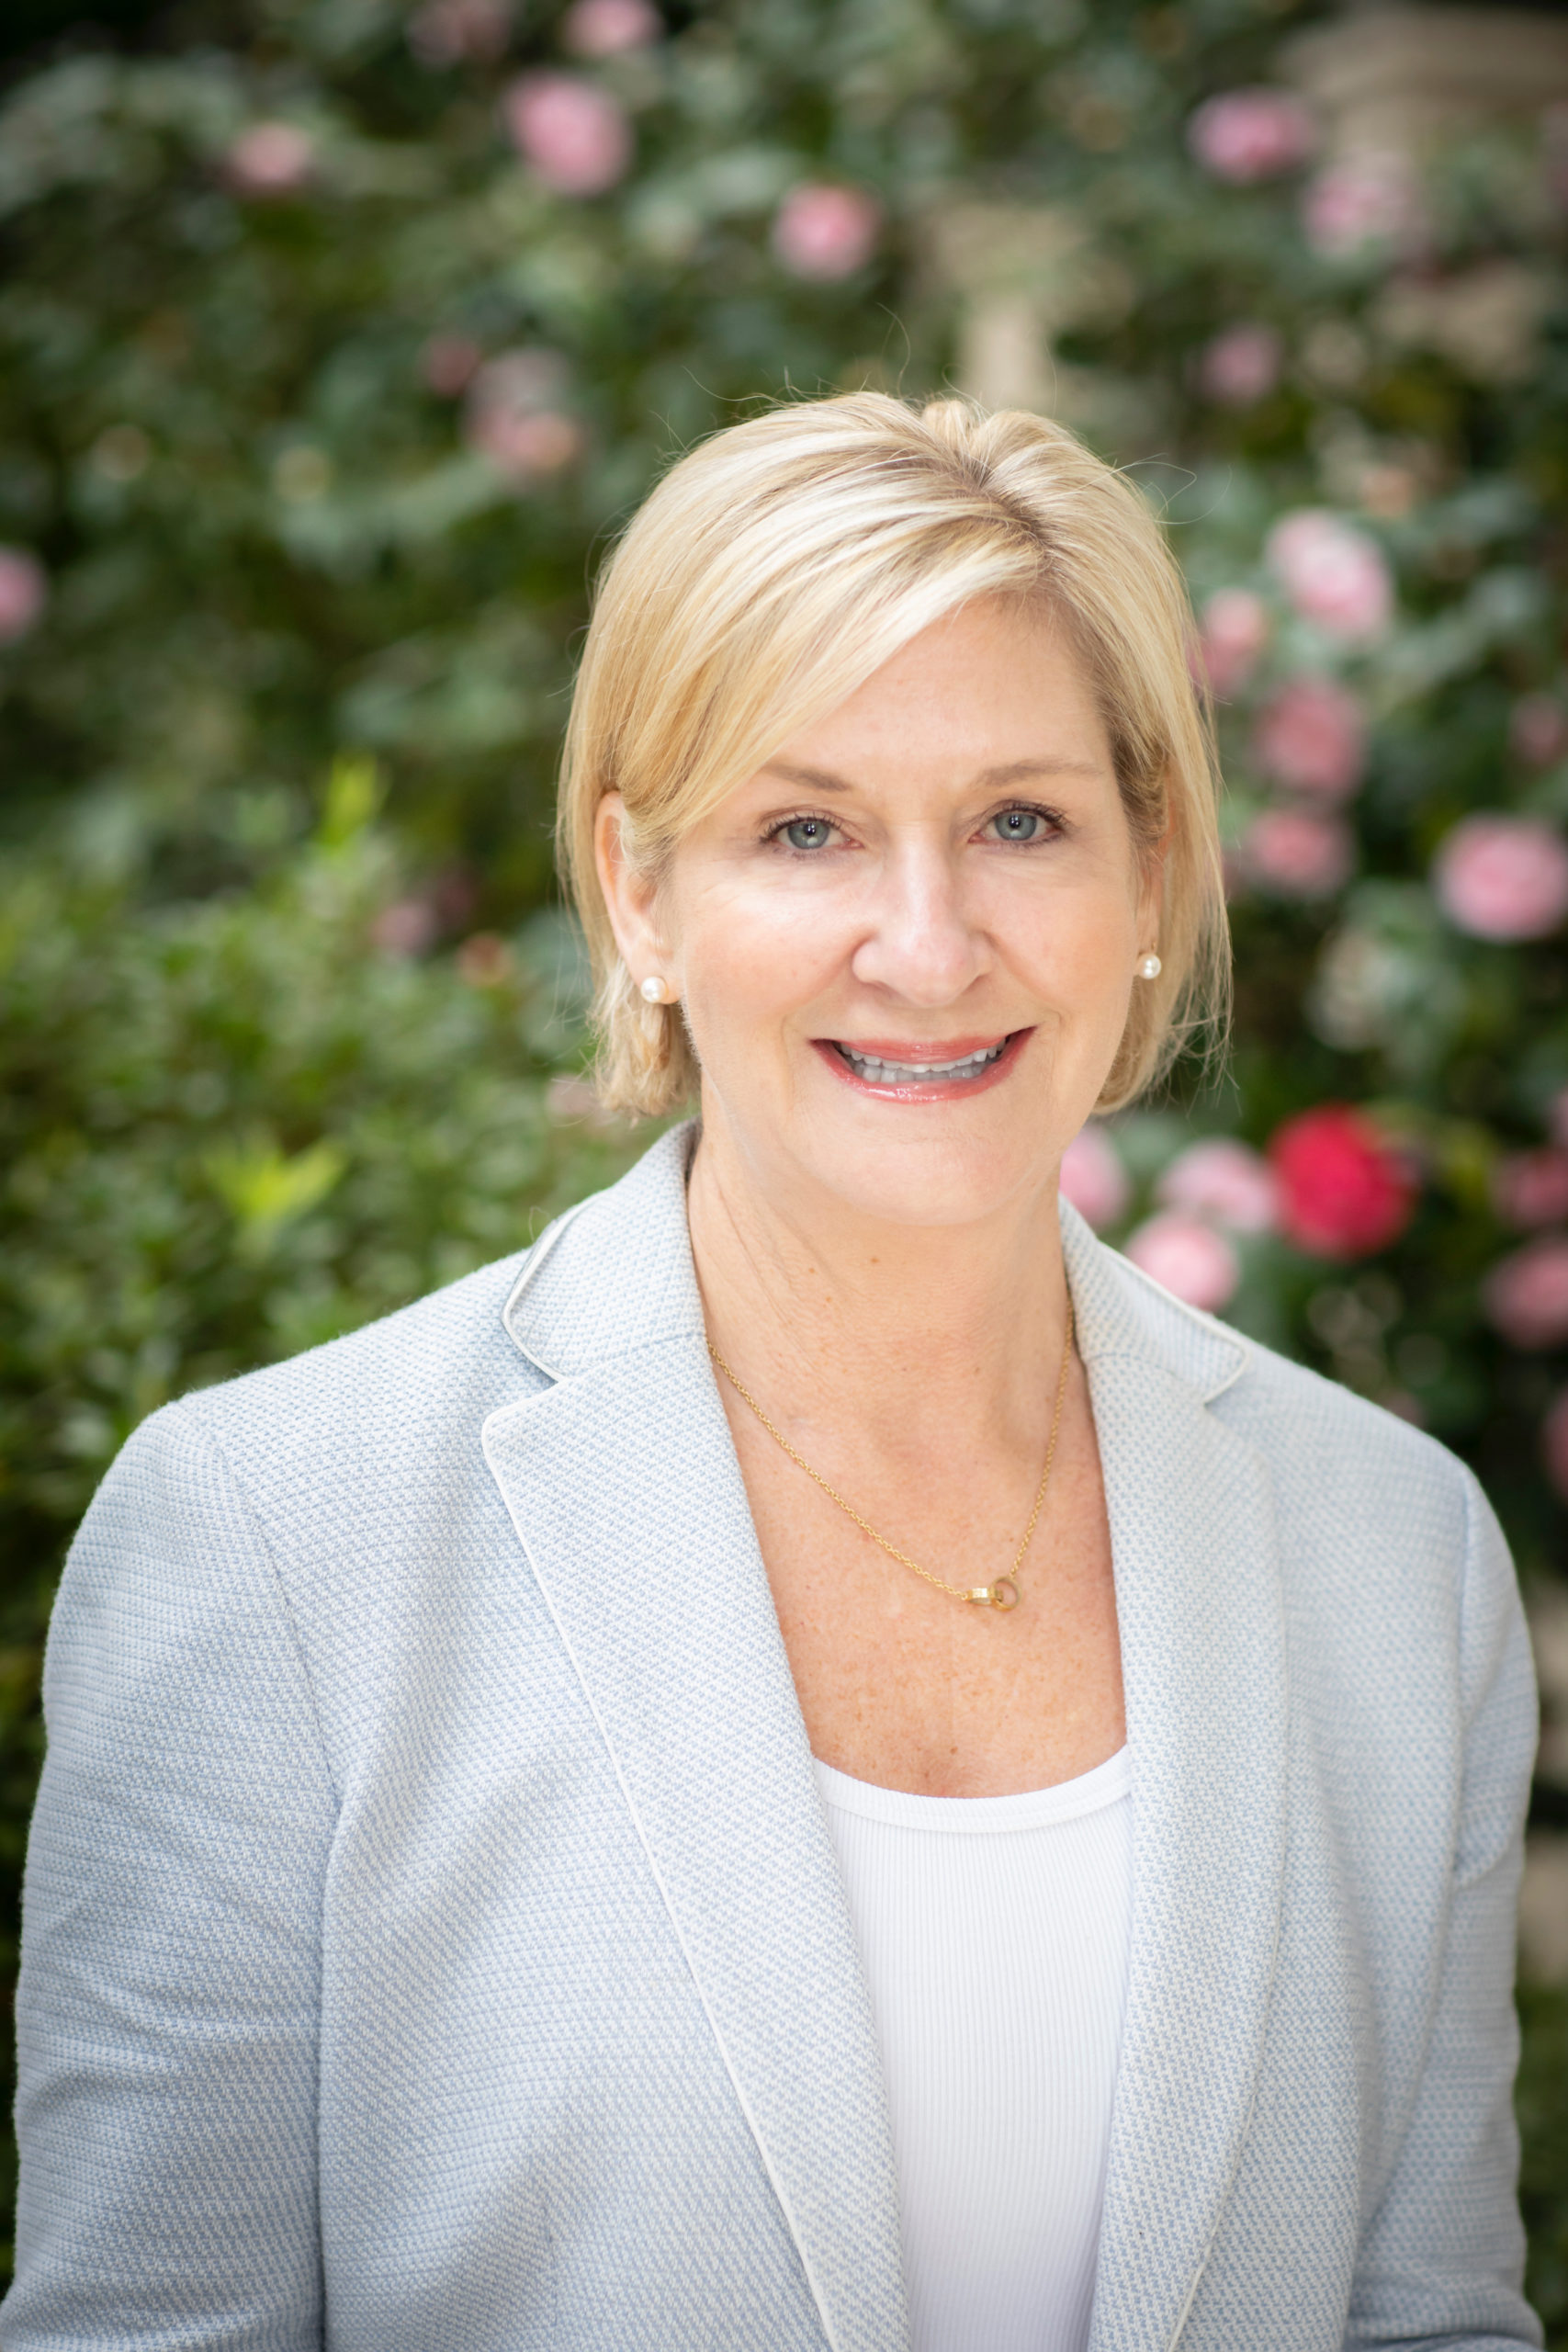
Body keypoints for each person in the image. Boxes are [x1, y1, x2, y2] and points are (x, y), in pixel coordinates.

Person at [4, 394, 1540, 2352]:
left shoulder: (1392, 1555)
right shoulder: (271, 1541)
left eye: (1017, 821)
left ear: (1146, 876)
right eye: (803, 827)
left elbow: (1430, 2325)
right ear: (639, 892)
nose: (924, 941)